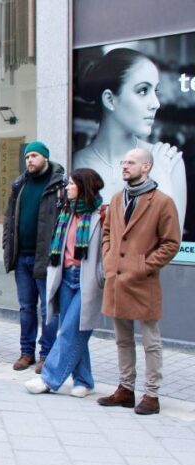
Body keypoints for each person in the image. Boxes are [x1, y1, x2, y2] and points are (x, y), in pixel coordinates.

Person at [97, 148, 180, 415]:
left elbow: (171, 243)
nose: (125, 166)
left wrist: (144, 265)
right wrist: (109, 259)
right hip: (117, 280)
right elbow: (108, 231)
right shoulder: (117, 198)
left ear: (146, 167)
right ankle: (125, 389)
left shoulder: (162, 202)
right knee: (122, 339)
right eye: (123, 162)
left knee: (151, 342)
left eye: (131, 162)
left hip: (143, 281)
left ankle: (152, 394)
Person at [73, 48, 186, 230]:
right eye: (143, 90)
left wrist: (161, 181)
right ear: (110, 100)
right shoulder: (74, 164)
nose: (156, 103)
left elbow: (170, 248)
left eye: (155, 91)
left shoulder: (167, 162)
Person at [25, 168, 105, 397]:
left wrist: (102, 274)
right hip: (66, 277)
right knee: (72, 330)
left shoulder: (102, 214)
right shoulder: (67, 212)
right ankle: (84, 380)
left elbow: (107, 250)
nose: (67, 188)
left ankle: (49, 378)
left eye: (71, 184)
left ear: (83, 186)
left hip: (87, 280)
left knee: (70, 331)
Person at [3, 141, 64, 373]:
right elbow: (10, 219)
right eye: (27, 157)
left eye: (35, 156)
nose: (29, 160)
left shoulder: (58, 184)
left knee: (48, 309)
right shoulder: (20, 184)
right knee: (26, 307)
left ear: (45, 158)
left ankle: (46, 354)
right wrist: (8, 248)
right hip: (22, 258)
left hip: (46, 259)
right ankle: (26, 352)